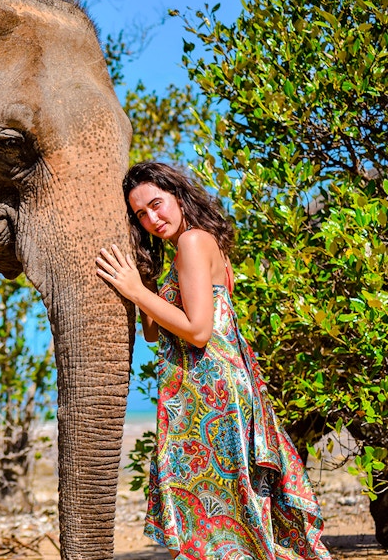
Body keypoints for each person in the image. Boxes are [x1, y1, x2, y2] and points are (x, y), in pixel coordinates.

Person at [96, 161, 332, 560]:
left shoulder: (193, 242)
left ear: (178, 195)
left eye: (157, 204)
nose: (153, 218)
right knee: (218, 513)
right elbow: (155, 332)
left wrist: (135, 290)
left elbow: (199, 329)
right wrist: (146, 280)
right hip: (196, 395)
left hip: (214, 395)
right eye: (141, 215)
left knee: (219, 512)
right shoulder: (189, 248)